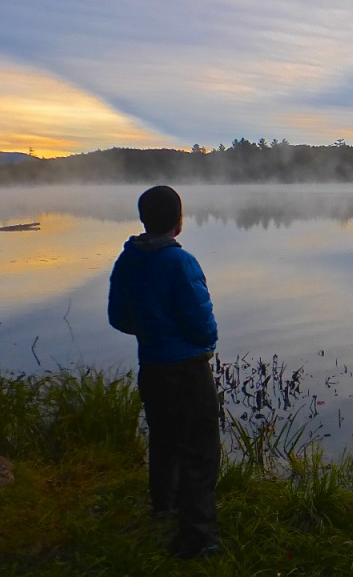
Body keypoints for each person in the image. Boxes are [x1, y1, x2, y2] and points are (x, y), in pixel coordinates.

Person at [108, 185, 221, 559]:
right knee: (200, 451)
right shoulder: (180, 262)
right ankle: (197, 538)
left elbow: (118, 318)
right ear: (178, 221)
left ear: (144, 219)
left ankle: (163, 508)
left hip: (152, 366)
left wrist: (152, 332)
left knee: (164, 440)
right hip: (187, 370)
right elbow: (202, 323)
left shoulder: (127, 260)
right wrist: (204, 342)